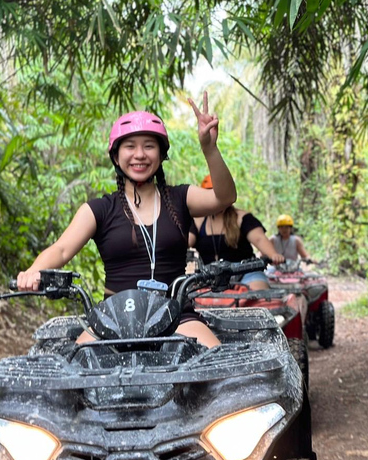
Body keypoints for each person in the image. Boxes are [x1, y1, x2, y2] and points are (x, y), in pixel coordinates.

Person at [15, 92, 236, 348]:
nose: (139, 154)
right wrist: (33, 271)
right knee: (73, 372)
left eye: (149, 146)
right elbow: (61, 249)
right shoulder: (99, 209)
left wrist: (209, 148)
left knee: (216, 366)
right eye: (130, 146)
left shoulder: (181, 198)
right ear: (116, 156)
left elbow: (225, 197)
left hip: (177, 315)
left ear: (162, 154)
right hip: (112, 319)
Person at [189, 176, 285, 291]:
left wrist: (273, 254)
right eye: (211, 195)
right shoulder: (198, 221)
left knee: (258, 290)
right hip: (210, 277)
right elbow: (184, 241)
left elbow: (259, 238)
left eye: (218, 195)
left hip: (246, 273)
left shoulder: (242, 218)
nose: (215, 199)